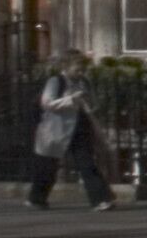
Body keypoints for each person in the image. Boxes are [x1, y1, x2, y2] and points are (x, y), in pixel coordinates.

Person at [26, 55, 114, 212]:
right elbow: (47, 103)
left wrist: (91, 103)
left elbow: (91, 104)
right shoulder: (56, 81)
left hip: (78, 128)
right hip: (55, 130)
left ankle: (101, 199)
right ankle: (36, 198)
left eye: (82, 69)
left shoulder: (83, 82)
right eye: (77, 69)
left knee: (87, 164)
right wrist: (70, 99)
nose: (80, 72)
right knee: (47, 168)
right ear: (65, 68)